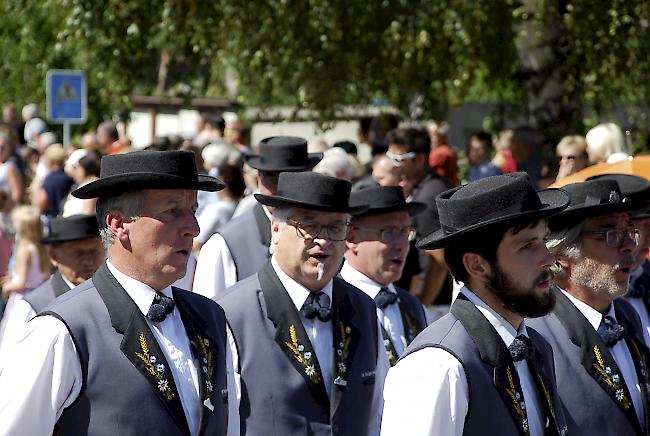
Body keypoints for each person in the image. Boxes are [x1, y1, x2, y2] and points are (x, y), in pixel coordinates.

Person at [0, 150, 238, 435]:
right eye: (173, 211)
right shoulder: (61, 332)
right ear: (119, 224)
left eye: (193, 210)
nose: (194, 228)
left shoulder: (209, 317)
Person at [382, 172, 571, 436]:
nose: (548, 258)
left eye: (544, 241)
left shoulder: (535, 347)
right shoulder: (437, 366)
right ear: (477, 265)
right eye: (527, 246)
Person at [218, 171, 388, 435]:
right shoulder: (232, 315)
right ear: (276, 228)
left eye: (336, 227)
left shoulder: (363, 308)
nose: (323, 240)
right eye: (308, 225)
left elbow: (378, 415)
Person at [527, 178, 648, 435]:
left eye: (630, 232)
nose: (628, 245)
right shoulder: (535, 334)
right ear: (563, 254)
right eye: (610, 233)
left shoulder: (626, 315)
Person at [193, 136, 322, 300]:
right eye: (273, 177)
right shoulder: (225, 244)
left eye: (297, 177)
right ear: (258, 177)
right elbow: (206, 317)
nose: (285, 186)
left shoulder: (330, 236)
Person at [340, 186, 428, 365]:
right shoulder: (332, 303)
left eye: (405, 232)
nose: (402, 244)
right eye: (389, 232)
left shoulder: (414, 307)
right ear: (352, 239)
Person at [0, 214, 104, 351]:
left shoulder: (112, 295)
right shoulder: (31, 308)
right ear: (54, 257)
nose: (88, 261)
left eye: (94, 252)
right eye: (78, 254)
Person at [386, 126, 453, 310]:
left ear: (421, 159)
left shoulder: (427, 199)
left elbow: (439, 260)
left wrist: (422, 307)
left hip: (435, 304)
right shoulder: (432, 184)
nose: (393, 164)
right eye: (390, 157)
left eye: (399, 159)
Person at [0, 205, 50, 348]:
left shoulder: (24, 249)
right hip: (39, 295)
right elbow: (44, 274)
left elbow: (21, 282)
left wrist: (7, 287)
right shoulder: (40, 247)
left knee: (15, 337)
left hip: (23, 298)